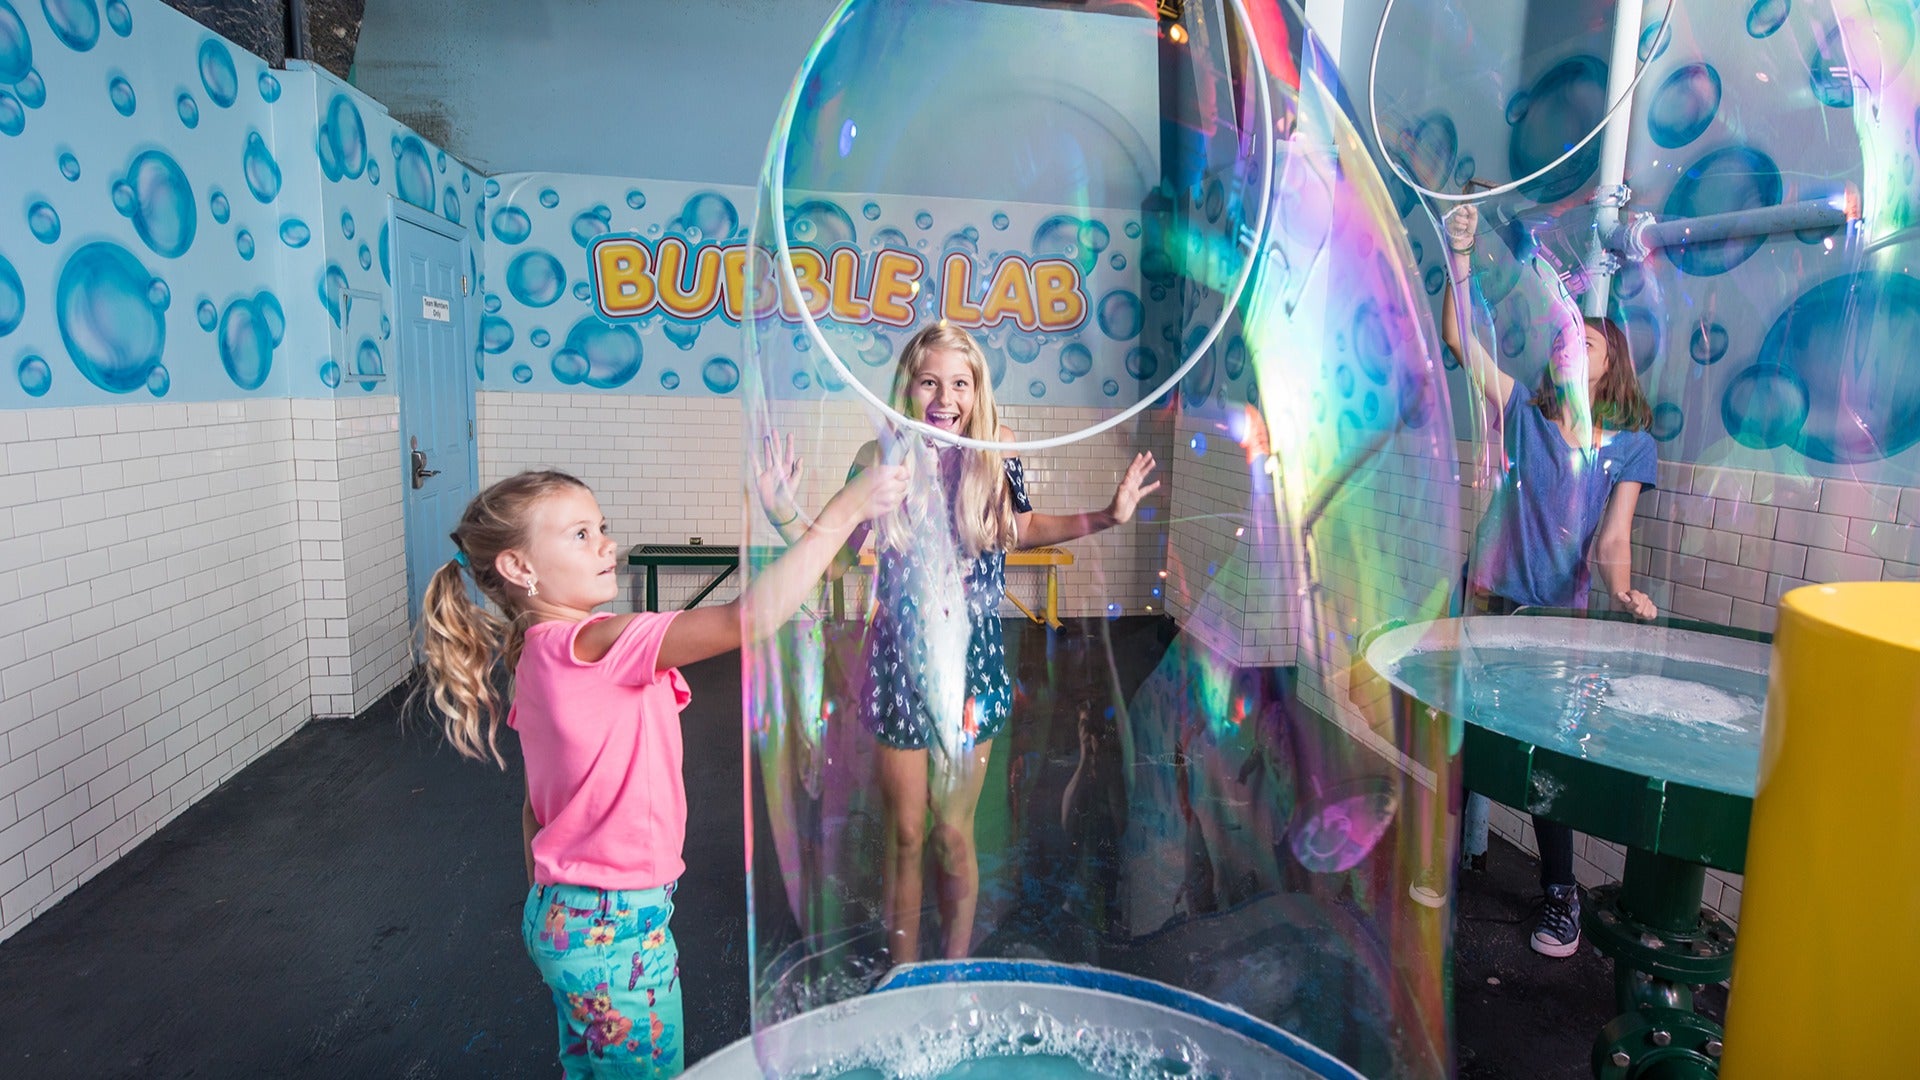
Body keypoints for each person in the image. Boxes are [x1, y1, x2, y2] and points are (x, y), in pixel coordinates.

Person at [418, 465, 905, 1077]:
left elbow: (535, 807)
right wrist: (848, 507)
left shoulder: (536, 655)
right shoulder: (596, 645)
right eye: (579, 534)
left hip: (566, 918)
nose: (606, 543)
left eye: (602, 527)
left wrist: (560, 905)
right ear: (520, 568)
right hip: (615, 929)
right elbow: (745, 619)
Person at [756, 321, 1159, 964]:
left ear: (978, 391)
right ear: (906, 387)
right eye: (929, 382)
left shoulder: (998, 450)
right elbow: (832, 563)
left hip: (973, 668)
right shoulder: (876, 460)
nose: (945, 398)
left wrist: (1107, 517)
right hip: (897, 668)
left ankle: (954, 969)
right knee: (908, 835)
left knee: (952, 833)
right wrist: (783, 509)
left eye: (960, 384)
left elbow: (1020, 530)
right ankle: (905, 973)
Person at [1441, 203, 1659, 958]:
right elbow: (1460, 343)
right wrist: (1460, 253)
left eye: (1587, 339)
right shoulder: (1525, 417)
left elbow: (1614, 540)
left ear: (1610, 363)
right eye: (1568, 334)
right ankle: (1438, 879)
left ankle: (1560, 897)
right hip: (1486, 595)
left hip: (1551, 622)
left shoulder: (1628, 446)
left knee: (1543, 760)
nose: (1571, 342)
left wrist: (1624, 592)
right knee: (1462, 743)